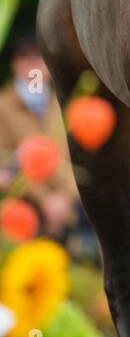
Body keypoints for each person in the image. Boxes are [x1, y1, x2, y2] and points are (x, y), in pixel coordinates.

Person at [0, 30, 81, 243]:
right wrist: (45, 200)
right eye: (24, 56)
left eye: (38, 56)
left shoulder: (60, 104)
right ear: (15, 63)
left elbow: (71, 159)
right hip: (23, 212)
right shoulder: (3, 106)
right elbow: (5, 165)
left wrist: (65, 197)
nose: (32, 63)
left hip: (65, 212)